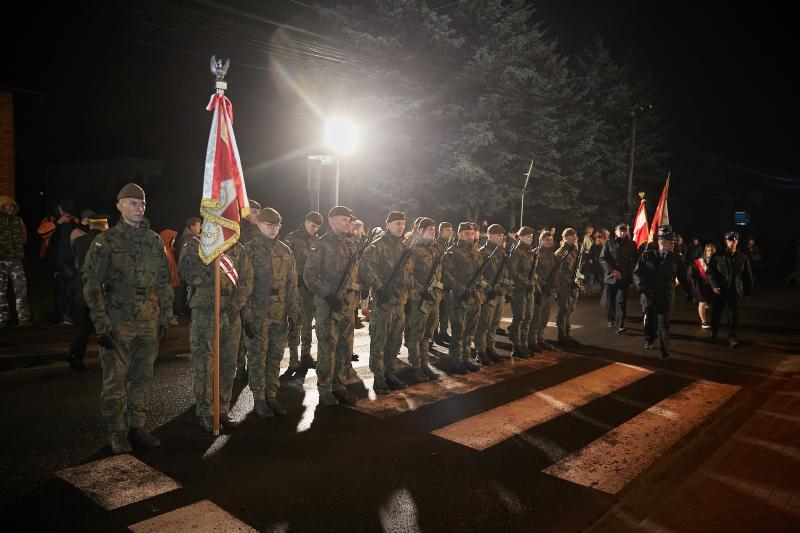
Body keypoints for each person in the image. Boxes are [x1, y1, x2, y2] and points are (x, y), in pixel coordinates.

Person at [82, 183, 173, 454]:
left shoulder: (154, 240)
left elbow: (164, 281)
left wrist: (165, 316)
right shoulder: (106, 241)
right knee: (116, 378)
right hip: (118, 318)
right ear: (119, 206)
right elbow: (91, 283)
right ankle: (117, 431)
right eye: (133, 203)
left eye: (142, 203)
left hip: (149, 318)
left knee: (142, 376)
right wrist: (101, 324)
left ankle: (137, 426)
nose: (139, 207)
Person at [180, 223, 253, 432]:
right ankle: (206, 412)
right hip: (206, 311)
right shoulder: (195, 246)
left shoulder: (237, 248)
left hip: (231, 311)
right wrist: (214, 268)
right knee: (206, 364)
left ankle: (222, 409)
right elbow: (187, 273)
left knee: (228, 363)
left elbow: (247, 279)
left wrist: (237, 304)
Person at [245, 208, 300, 418]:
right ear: (259, 225)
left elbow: (292, 284)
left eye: (277, 225)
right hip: (258, 312)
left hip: (280, 312)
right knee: (258, 356)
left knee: (275, 356)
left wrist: (293, 313)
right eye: (269, 225)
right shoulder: (249, 249)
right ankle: (259, 399)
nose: (273, 229)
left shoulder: (285, 250)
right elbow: (243, 285)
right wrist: (245, 313)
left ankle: (271, 395)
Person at [304, 206, 360, 407]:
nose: (348, 223)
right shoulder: (321, 244)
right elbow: (309, 276)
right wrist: (327, 295)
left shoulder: (351, 245)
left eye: (349, 220)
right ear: (332, 221)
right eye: (344, 219)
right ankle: (325, 389)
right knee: (328, 349)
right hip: (328, 306)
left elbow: (355, 274)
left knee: (345, 348)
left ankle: (340, 386)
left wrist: (357, 295)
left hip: (346, 305)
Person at [360, 211, 411, 394]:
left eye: (403, 223)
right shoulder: (378, 245)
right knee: (379, 341)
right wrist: (380, 286)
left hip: (399, 302)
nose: (401, 227)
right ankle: (378, 378)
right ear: (388, 225)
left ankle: (390, 372)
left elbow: (408, 274)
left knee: (395, 341)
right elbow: (364, 266)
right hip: (383, 303)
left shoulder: (404, 247)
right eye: (397, 223)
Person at [633, 226, 692, 359]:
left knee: (663, 322)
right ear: (662, 242)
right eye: (671, 242)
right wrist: (642, 288)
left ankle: (664, 349)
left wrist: (690, 292)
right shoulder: (647, 255)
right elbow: (637, 273)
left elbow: (683, 277)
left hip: (666, 294)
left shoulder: (676, 258)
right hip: (649, 294)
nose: (674, 245)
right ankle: (649, 339)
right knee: (650, 319)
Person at [66, 213, 109, 370]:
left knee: (83, 326)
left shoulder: (79, 241)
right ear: (103, 225)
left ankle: (75, 354)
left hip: (82, 289)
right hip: (100, 291)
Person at [283, 211, 323, 372]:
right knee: (295, 323)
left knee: (308, 324)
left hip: (311, 289)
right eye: (313, 225)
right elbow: (285, 264)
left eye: (318, 227)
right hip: (296, 288)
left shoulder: (318, 241)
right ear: (306, 221)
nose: (314, 229)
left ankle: (306, 355)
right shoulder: (292, 238)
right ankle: (293, 359)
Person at [405, 217, 443, 381]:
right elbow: (408, 274)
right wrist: (421, 290)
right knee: (417, 334)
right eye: (429, 229)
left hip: (433, 298)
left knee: (428, 334)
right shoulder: (413, 249)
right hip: (419, 298)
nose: (433, 232)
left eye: (434, 229)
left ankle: (425, 364)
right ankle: (416, 366)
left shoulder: (435, 249)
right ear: (420, 231)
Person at [442, 222, 483, 373]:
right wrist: (460, 289)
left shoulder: (475, 251)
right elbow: (445, 275)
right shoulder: (452, 252)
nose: (470, 236)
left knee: (470, 330)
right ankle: (456, 361)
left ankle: (466, 358)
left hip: (474, 296)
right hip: (459, 297)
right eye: (466, 233)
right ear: (459, 234)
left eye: (472, 233)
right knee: (459, 331)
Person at [708, 231, 753, 348]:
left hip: (734, 290)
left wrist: (748, 291)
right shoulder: (717, 256)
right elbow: (710, 272)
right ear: (726, 242)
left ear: (737, 241)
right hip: (720, 290)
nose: (732, 242)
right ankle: (714, 331)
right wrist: (714, 285)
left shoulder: (743, 257)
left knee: (733, 314)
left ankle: (732, 336)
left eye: (734, 240)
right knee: (717, 312)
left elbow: (747, 275)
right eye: (730, 240)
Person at [475, 224, 510, 365]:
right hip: (488, 294)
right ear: (489, 235)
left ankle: (491, 348)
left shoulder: (501, 252)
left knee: (494, 324)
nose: (500, 238)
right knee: (484, 324)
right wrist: (488, 288)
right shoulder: (482, 252)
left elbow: (505, 273)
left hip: (499, 293)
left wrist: (505, 289)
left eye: (502, 235)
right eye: (497, 235)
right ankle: (480, 351)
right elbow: (479, 275)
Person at [598, 223, 638, 333]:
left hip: (624, 277)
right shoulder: (609, 243)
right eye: (620, 231)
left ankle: (620, 324)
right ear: (616, 232)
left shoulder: (632, 244)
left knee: (622, 301)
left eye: (624, 231)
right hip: (611, 277)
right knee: (610, 301)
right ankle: (611, 320)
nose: (622, 233)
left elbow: (636, 259)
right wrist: (612, 270)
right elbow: (602, 258)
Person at [0, 195, 32, 327]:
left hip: (16, 260)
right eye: (6, 206)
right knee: (0, 291)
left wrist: (17, 247)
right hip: (1, 260)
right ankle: (2, 319)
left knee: (21, 288)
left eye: (11, 206)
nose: (9, 208)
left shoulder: (18, 221)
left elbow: (24, 237)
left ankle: (24, 318)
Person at [507, 226, 535, 358]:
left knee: (528, 318)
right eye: (528, 237)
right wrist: (526, 282)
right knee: (519, 318)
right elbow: (513, 272)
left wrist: (532, 285)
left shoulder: (529, 252)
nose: (531, 239)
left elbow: (531, 272)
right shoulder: (516, 252)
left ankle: (524, 344)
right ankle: (516, 347)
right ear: (521, 237)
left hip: (528, 290)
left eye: (532, 237)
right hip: (519, 289)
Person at [553, 228, 582, 346]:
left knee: (569, 311)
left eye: (575, 236)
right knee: (563, 312)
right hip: (564, 287)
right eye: (573, 236)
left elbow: (577, 269)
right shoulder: (560, 253)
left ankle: (567, 335)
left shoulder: (574, 251)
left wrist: (578, 282)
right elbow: (556, 273)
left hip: (572, 286)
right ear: (566, 238)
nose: (575, 238)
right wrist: (558, 288)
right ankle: (562, 337)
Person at [530, 230, 556, 351]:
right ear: (541, 240)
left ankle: (541, 338)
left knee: (545, 316)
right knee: (536, 316)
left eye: (551, 240)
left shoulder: (552, 254)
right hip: (539, 289)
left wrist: (553, 285)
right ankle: (532, 340)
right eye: (547, 240)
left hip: (549, 289)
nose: (549, 242)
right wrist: (541, 283)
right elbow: (532, 272)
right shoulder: (535, 253)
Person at [433, 222, 453, 345]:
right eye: (447, 230)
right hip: (438, 282)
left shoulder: (451, 245)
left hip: (447, 283)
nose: (450, 232)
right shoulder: (436, 245)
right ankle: (434, 333)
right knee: (437, 310)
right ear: (440, 231)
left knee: (446, 310)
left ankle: (443, 332)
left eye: (451, 230)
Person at [689, 243, 716, 329]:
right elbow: (691, 273)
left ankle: (702, 315)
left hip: (709, 285)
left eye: (712, 251)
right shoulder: (699, 262)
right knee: (702, 302)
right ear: (705, 251)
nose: (710, 252)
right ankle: (703, 322)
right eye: (708, 250)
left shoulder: (716, 260)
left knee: (708, 304)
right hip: (700, 284)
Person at [158, 228, 181, 325]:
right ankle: (166, 319)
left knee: (170, 298)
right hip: (166, 282)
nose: (174, 241)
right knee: (167, 299)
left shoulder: (170, 251)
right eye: (173, 239)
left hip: (170, 282)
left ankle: (169, 316)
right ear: (167, 239)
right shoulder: (164, 253)